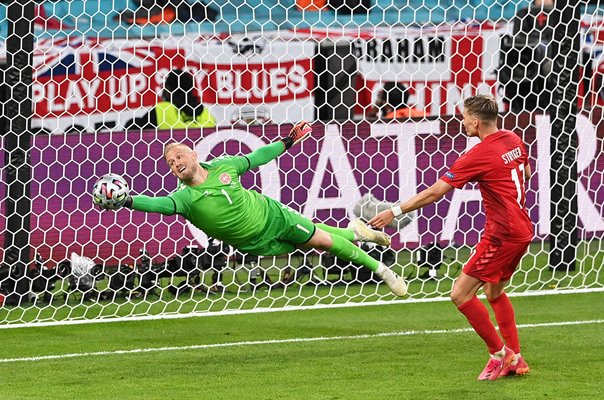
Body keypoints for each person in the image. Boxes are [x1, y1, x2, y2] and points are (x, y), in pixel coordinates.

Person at [95, 122, 408, 297]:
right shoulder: (184, 198)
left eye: (179, 157)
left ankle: (382, 271)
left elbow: (258, 157)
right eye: (170, 163)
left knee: (323, 243)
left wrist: (288, 141)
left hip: (272, 215)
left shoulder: (223, 166)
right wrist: (127, 200)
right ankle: (357, 231)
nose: (176, 163)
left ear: (193, 154)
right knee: (316, 241)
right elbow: (158, 205)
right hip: (255, 244)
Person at [368, 94, 533, 380]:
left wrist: (393, 211)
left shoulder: (478, 154)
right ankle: (516, 359)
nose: (462, 120)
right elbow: (527, 173)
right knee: (494, 292)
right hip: (522, 229)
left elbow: (435, 192)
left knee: (460, 294)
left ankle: (500, 354)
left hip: (502, 234)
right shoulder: (513, 139)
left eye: (464, 116)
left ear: (476, 121)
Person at [125, 69, 216, 131]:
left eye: (166, 87)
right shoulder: (207, 114)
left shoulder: (162, 110)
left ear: (169, 89)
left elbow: (133, 132)